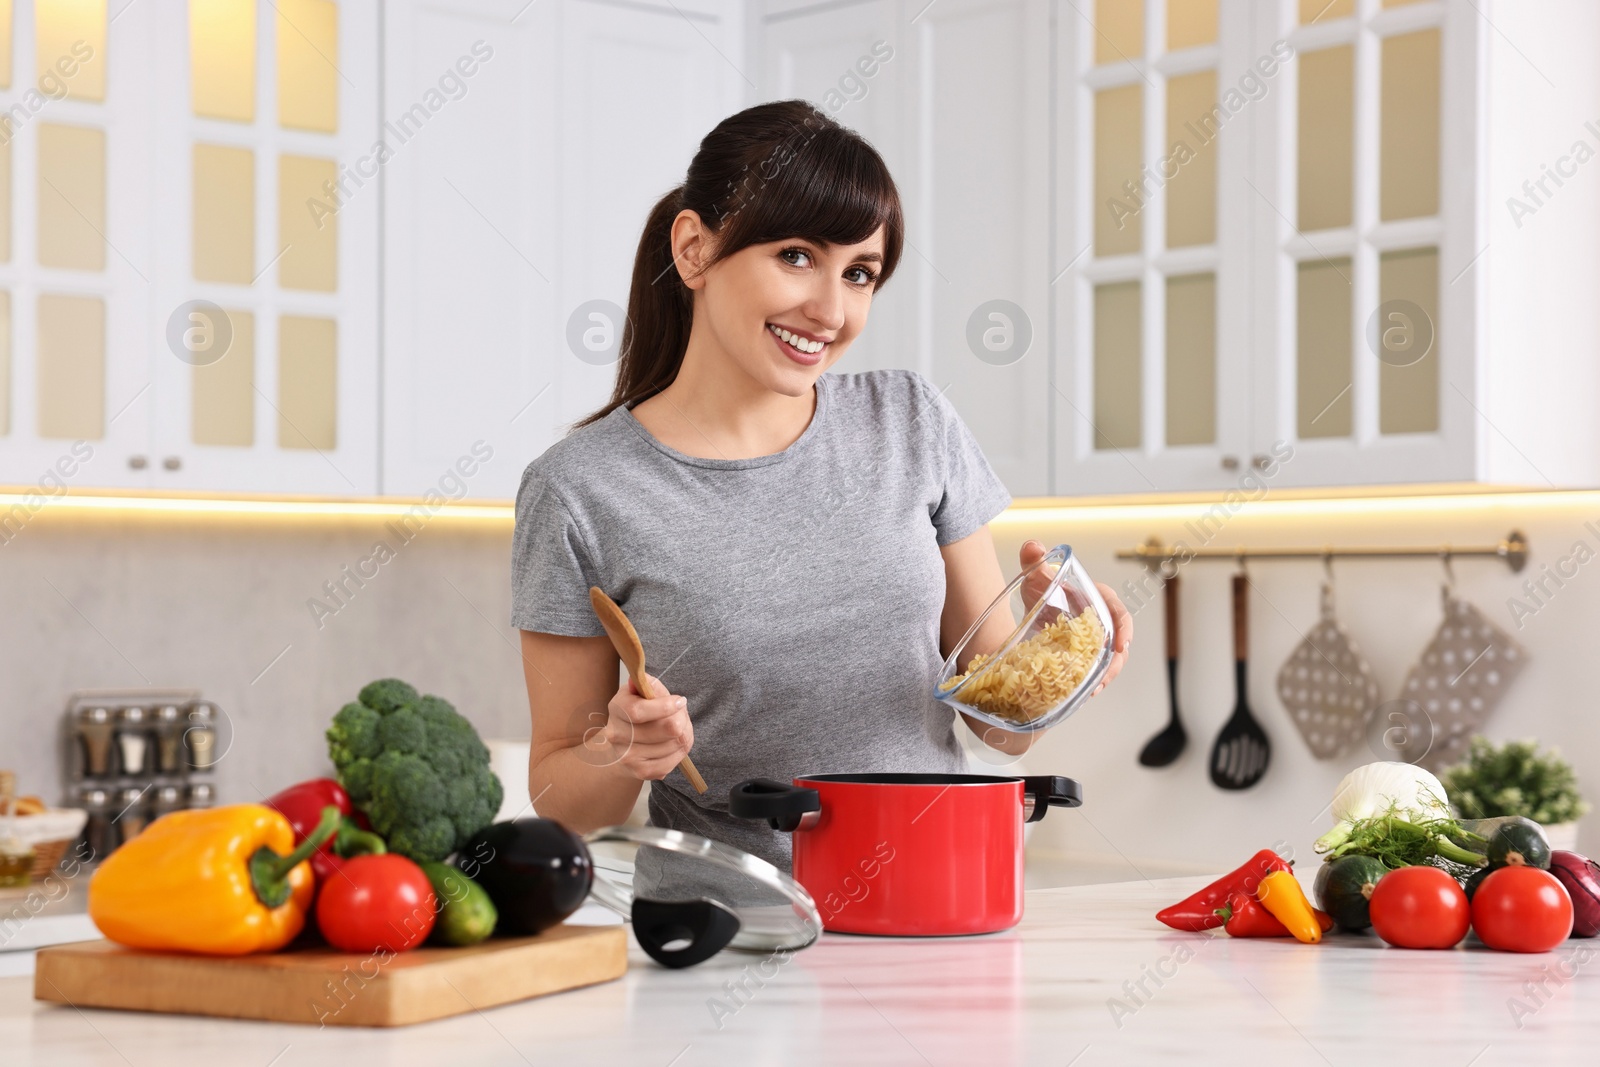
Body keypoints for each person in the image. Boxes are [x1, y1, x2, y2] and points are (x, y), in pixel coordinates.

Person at [510, 99, 1131, 872]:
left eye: (860, 272)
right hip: (728, 924)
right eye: (797, 255)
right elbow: (559, 792)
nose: (831, 310)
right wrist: (619, 747)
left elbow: (1003, 729)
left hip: (932, 898)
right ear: (694, 250)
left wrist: (1056, 655)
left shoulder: (912, 421)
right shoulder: (578, 490)